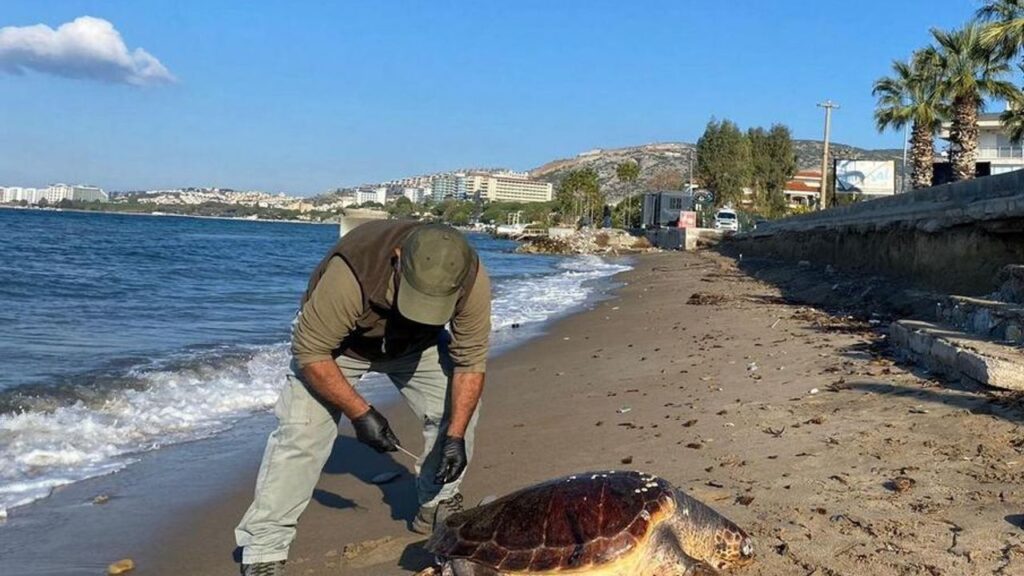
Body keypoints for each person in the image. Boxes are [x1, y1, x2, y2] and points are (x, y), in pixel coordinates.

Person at [235, 221, 491, 576]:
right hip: (337, 349)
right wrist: (360, 413)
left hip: (417, 346)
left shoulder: (471, 277)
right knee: (301, 435)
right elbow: (311, 353)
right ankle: (264, 552)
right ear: (398, 260)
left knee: (455, 411)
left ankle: (438, 501)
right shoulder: (353, 270)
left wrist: (456, 437)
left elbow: (470, 361)